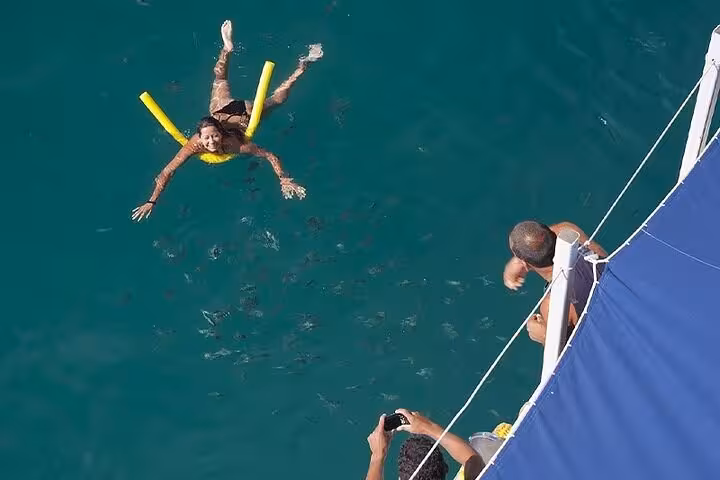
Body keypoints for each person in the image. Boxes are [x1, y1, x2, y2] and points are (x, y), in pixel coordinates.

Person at [131, 20, 323, 221]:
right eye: (206, 139)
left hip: (244, 114)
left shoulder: (236, 145)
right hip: (220, 109)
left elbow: (269, 155)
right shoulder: (194, 145)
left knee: (278, 99)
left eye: (214, 137)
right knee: (219, 78)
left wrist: (284, 179)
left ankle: (302, 66)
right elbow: (167, 172)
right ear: (198, 136)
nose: (211, 143)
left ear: (221, 134)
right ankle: (227, 47)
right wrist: (152, 200)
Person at [502, 221, 607, 344]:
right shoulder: (571, 231)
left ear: (524, 263)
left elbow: (567, 352)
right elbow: (550, 233)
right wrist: (520, 259)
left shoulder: (551, 305)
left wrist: (543, 337)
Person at [365, 409, 483, 480]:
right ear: (445, 469)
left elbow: (472, 460)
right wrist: (429, 428)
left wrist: (377, 456)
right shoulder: (480, 474)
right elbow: (473, 460)